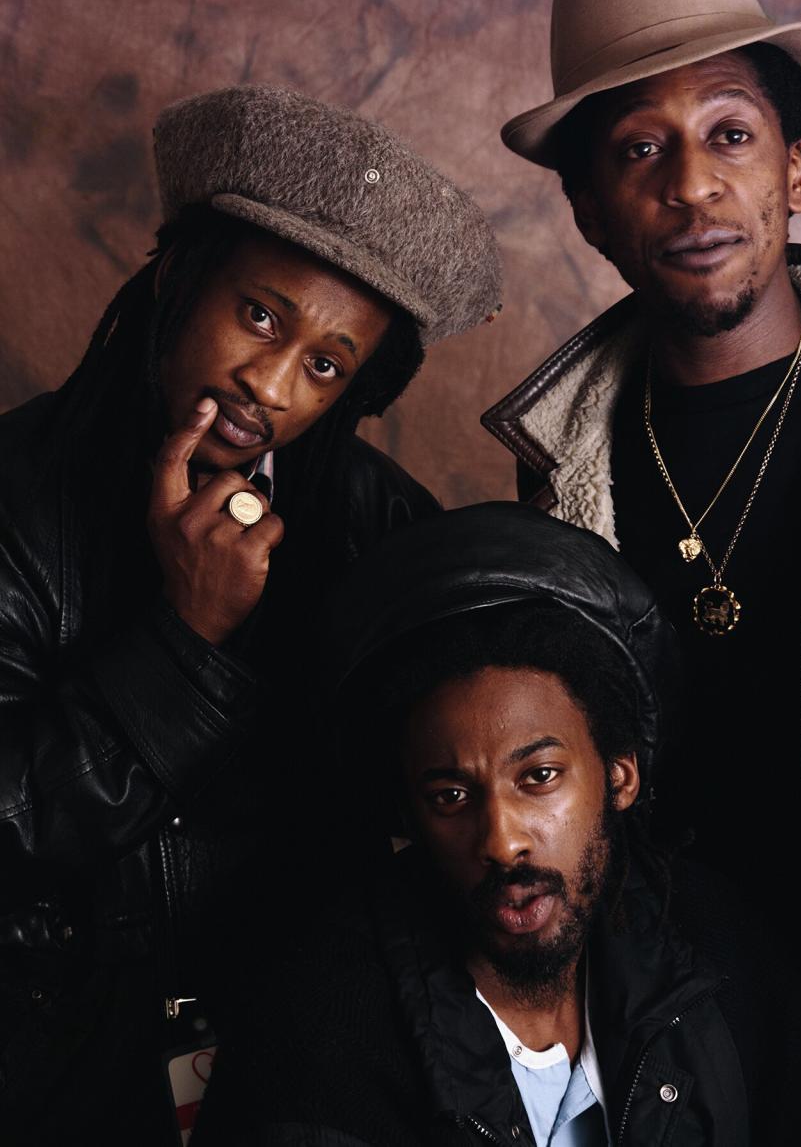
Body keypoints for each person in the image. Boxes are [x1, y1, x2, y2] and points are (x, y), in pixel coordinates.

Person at [481, 0, 801, 1142]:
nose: (693, 187)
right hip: (685, 1056)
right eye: (641, 149)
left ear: (797, 166)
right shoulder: (551, 478)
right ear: (589, 207)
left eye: (732, 134)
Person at [0, 84, 500, 1145]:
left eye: (324, 364)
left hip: (297, 1070)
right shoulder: (14, 493)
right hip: (47, 1070)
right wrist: (183, 643)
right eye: (261, 314)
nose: (268, 382)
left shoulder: (385, 527)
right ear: (180, 275)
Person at [194, 502, 801, 1147]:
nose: (502, 841)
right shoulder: (322, 1032)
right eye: (451, 795)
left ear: (619, 774)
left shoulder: (721, 955)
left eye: (540, 777)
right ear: (408, 813)